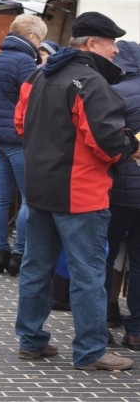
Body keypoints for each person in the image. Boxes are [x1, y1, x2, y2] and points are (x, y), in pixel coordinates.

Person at [14, 12, 139, 371]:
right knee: (88, 274)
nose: (116, 51)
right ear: (92, 44)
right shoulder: (91, 82)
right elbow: (108, 143)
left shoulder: (38, 76)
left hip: (39, 188)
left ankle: (31, 340)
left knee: (36, 267)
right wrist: (130, 144)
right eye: (112, 42)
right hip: (81, 193)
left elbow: (22, 125)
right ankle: (91, 350)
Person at [0, 15, 46, 275]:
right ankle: (19, 255)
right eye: (40, 39)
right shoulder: (24, 62)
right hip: (19, 137)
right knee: (28, 199)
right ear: (32, 37)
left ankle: (2, 252)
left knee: (2, 197)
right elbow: (30, 102)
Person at [108, 40, 140, 349]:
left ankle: (103, 320)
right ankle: (136, 331)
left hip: (117, 191)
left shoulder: (115, 92)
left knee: (104, 256)